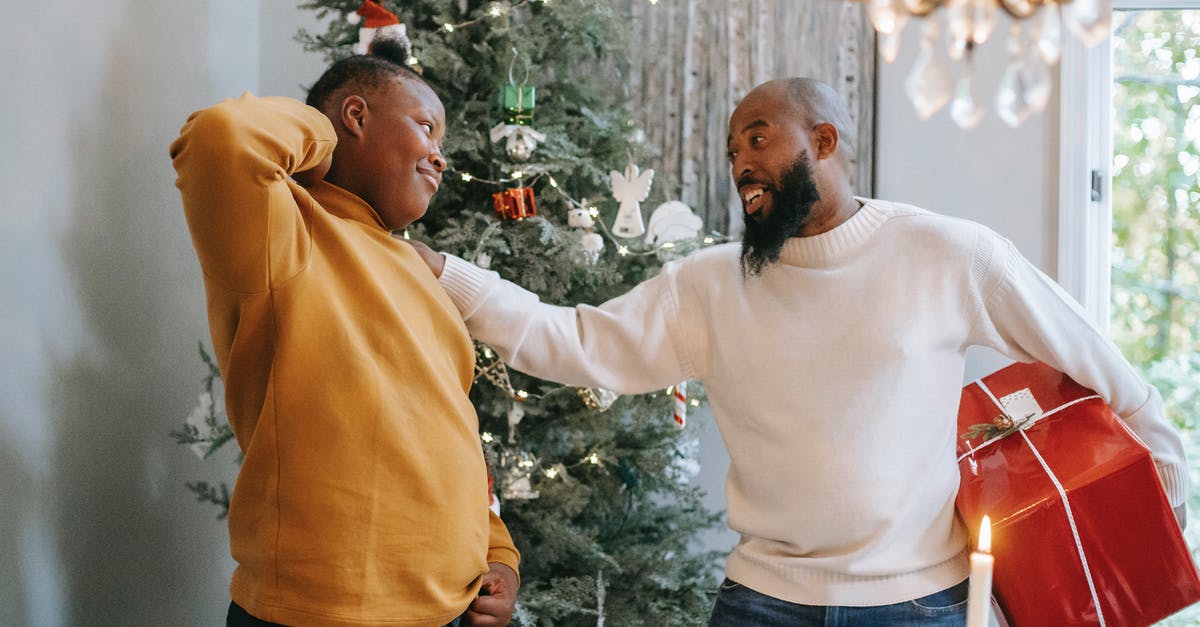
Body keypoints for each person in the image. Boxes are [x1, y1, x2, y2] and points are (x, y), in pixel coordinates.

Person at [406, 77, 1188, 625]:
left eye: (757, 135)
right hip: (762, 601)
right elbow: (575, 342)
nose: (739, 161)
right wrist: (447, 273)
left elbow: (1099, 365)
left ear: (824, 140)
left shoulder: (952, 253)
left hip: (925, 605)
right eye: (730, 149)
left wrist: (1167, 498)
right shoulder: (709, 284)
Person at [170, 40, 520, 627]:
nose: (440, 156)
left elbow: (450, 431)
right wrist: (323, 132)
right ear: (355, 117)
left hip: (451, 608)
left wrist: (498, 554)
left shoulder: (422, 272)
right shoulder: (286, 231)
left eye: (443, 144)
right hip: (324, 613)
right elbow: (223, 136)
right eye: (426, 128)